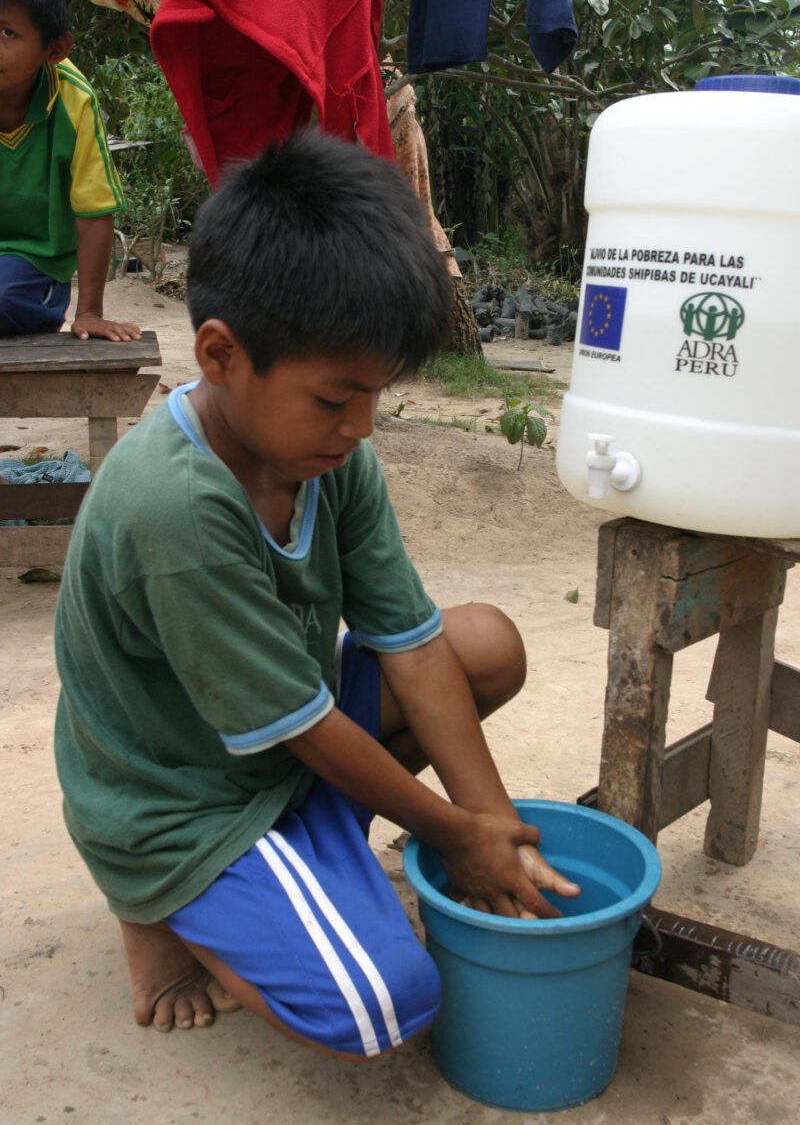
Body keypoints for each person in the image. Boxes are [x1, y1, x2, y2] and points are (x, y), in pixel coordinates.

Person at [54, 130, 580, 1058]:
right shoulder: (174, 507)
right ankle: (160, 905)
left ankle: (301, 860)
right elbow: (301, 722)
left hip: (274, 738)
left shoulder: (329, 456)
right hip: (181, 799)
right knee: (385, 1005)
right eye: (336, 398)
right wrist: (451, 836)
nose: (361, 426)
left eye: (374, 395)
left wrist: (492, 827)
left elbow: (410, 642)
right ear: (221, 356)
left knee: (485, 644)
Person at [0, 0, 139, 341]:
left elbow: (94, 212)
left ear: (55, 48)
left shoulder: (74, 101)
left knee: (3, 296)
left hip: (32, 267)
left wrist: (91, 311)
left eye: (7, 32)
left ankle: (45, 306)